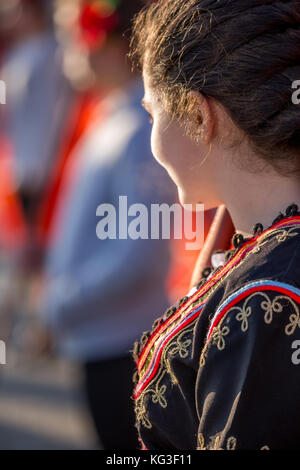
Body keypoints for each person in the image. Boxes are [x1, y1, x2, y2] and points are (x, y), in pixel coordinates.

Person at [130, 0, 300, 450]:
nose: (151, 135)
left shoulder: (266, 295)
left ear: (199, 115)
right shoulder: (263, 255)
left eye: (152, 114)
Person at [40, 0, 175, 450]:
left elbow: (142, 248)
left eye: (74, 34)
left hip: (121, 343)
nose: (68, 50)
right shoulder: (113, 117)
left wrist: (62, 304)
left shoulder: (137, 128)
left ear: (110, 43)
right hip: (103, 336)